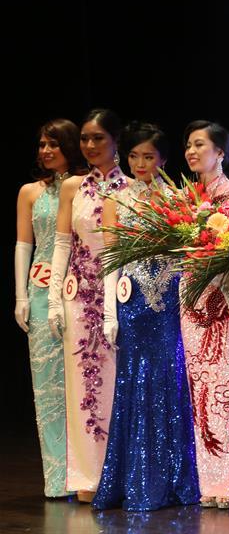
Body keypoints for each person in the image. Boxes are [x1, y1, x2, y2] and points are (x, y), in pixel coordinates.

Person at [93, 122, 200, 511]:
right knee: (133, 383)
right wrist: (109, 312)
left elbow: (189, 257)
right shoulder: (116, 202)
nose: (140, 163)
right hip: (132, 300)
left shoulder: (177, 199)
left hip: (167, 301)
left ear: (163, 160)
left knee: (168, 381)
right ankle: (134, 478)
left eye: (149, 156)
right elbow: (110, 260)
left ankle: (173, 480)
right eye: (135, 156)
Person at [48, 109, 128, 502]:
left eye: (98, 138)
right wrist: (52, 301)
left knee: (115, 385)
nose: (91, 145)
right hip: (78, 295)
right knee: (82, 384)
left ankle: (114, 473)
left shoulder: (130, 188)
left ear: (116, 141)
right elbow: (62, 244)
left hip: (117, 294)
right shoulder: (72, 187)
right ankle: (86, 476)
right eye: (85, 138)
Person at [15, 119, 86, 497]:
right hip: (42, 290)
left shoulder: (85, 186)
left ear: (70, 147)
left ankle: (87, 474)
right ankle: (57, 479)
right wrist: (21, 297)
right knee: (47, 385)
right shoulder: (30, 192)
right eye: (41, 144)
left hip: (79, 290)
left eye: (53, 144)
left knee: (82, 380)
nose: (45, 151)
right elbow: (23, 245)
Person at [180, 120, 229, 509]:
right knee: (198, 388)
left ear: (220, 152)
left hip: (223, 298)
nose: (191, 151)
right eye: (188, 145)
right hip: (191, 296)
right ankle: (209, 482)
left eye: (199, 144)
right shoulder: (183, 200)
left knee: (224, 388)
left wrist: (223, 290)